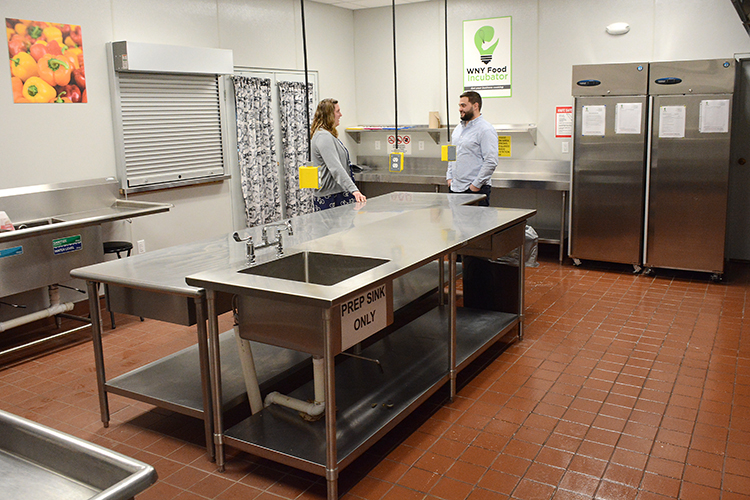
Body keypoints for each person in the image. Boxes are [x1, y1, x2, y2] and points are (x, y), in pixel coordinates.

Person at [310, 98, 366, 211]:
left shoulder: (328, 136)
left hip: (337, 193)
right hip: (331, 197)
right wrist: (354, 190)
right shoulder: (323, 137)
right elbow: (335, 167)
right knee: (335, 228)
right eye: (337, 111)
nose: (340, 115)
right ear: (329, 115)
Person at [446, 91, 498, 207]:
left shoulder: (485, 130)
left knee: (475, 224)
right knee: (456, 224)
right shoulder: (458, 129)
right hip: (455, 188)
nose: (460, 109)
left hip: (474, 190)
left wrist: (475, 186)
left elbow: (491, 161)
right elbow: (451, 154)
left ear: (475, 106)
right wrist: (449, 178)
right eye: (459, 105)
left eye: (463, 105)